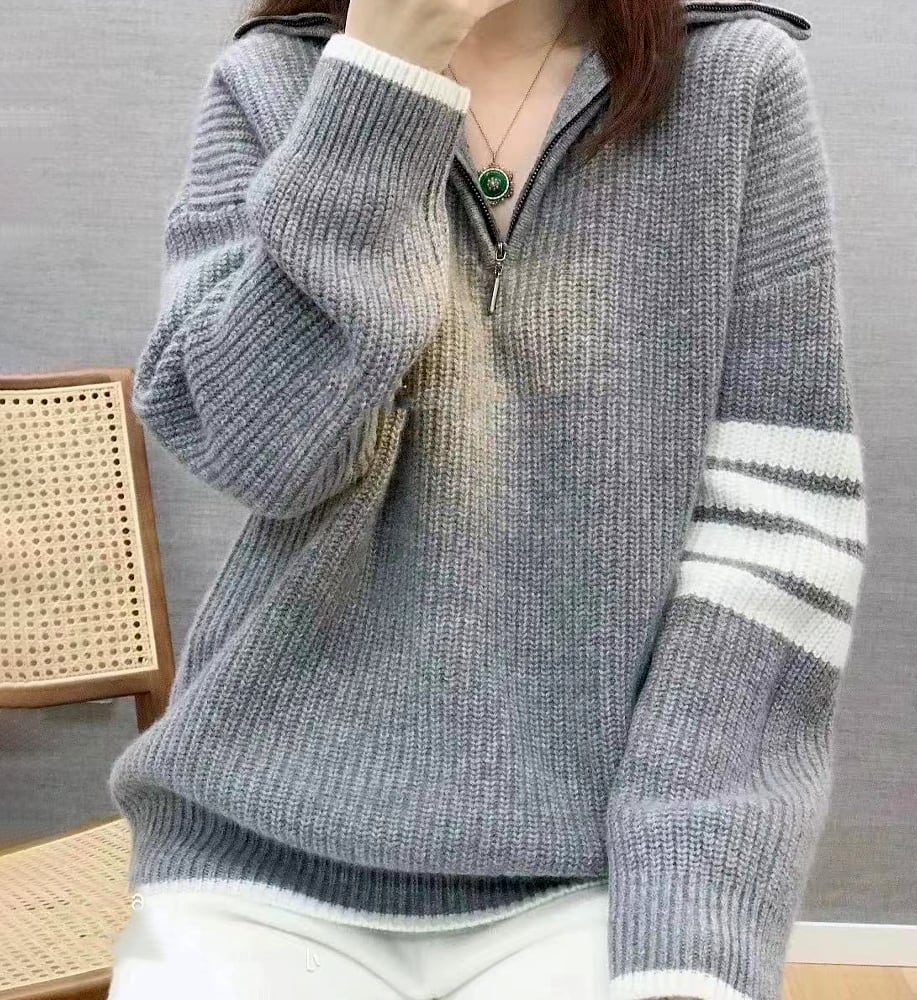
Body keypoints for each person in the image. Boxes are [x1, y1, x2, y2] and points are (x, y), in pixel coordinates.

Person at [106, 0, 868, 997]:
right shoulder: (274, 79)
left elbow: (775, 533)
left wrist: (690, 923)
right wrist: (378, 87)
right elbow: (261, 452)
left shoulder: (733, 79)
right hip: (259, 857)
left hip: (602, 874)